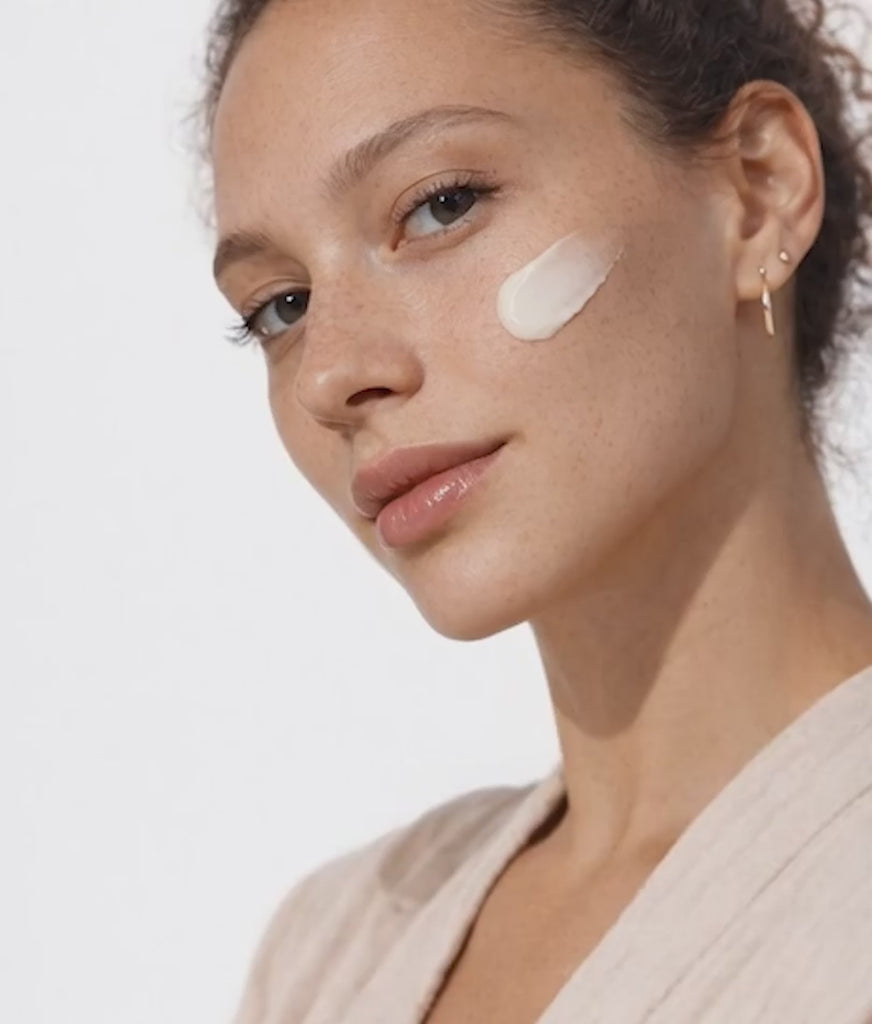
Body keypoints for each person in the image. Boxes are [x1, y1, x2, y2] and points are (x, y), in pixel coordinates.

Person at [198, 0, 872, 1020]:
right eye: (280, 306)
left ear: (757, 191)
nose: (329, 374)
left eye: (440, 206)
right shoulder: (334, 952)